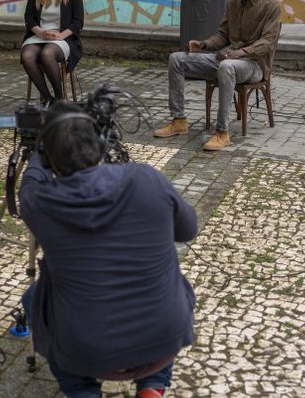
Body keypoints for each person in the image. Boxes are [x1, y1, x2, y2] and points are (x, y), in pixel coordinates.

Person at [19, 102, 198, 398]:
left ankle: (83, 391)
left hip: (87, 351)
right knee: (175, 282)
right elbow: (188, 230)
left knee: (31, 298)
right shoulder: (146, 178)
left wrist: (37, 155)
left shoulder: (39, 202)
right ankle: (153, 387)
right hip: (164, 340)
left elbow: (30, 182)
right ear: (101, 144)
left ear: (49, 159)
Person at [154, 0, 281, 151]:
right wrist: (204, 45)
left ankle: (222, 132)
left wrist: (239, 53)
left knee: (227, 66)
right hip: (229, 60)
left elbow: (268, 43)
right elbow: (223, 35)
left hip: (254, 65)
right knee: (177, 59)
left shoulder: (271, 6)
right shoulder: (233, 3)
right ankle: (179, 120)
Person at [21, 0, 84, 105]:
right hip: (39, 35)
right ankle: (49, 99)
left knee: (47, 54)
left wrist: (60, 35)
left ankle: (60, 99)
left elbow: (78, 22)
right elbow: (29, 18)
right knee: (27, 56)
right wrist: (41, 33)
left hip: (63, 38)